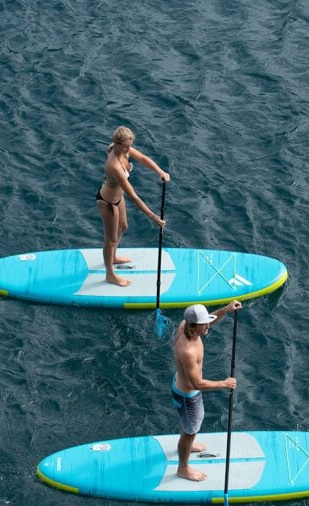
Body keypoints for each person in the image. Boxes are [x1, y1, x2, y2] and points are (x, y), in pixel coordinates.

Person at [171, 301, 242, 481]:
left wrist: (225, 310)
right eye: (205, 324)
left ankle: (189, 444)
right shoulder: (187, 351)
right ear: (194, 327)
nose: (208, 325)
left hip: (186, 390)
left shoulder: (186, 325)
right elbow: (197, 384)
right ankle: (183, 468)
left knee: (189, 426)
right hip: (188, 395)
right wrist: (224, 384)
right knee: (190, 431)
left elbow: (208, 319)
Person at [95, 126, 170, 287]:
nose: (129, 149)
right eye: (126, 146)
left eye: (130, 145)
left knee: (123, 226)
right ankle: (110, 274)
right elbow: (134, 196)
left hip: (118, 197)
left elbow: (142, 158)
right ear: (116, 143)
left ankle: (113, 257)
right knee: (111, 239)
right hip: (108, 202)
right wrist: (153, 217)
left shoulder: (123, 149)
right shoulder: (114, 166)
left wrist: (160, 171)